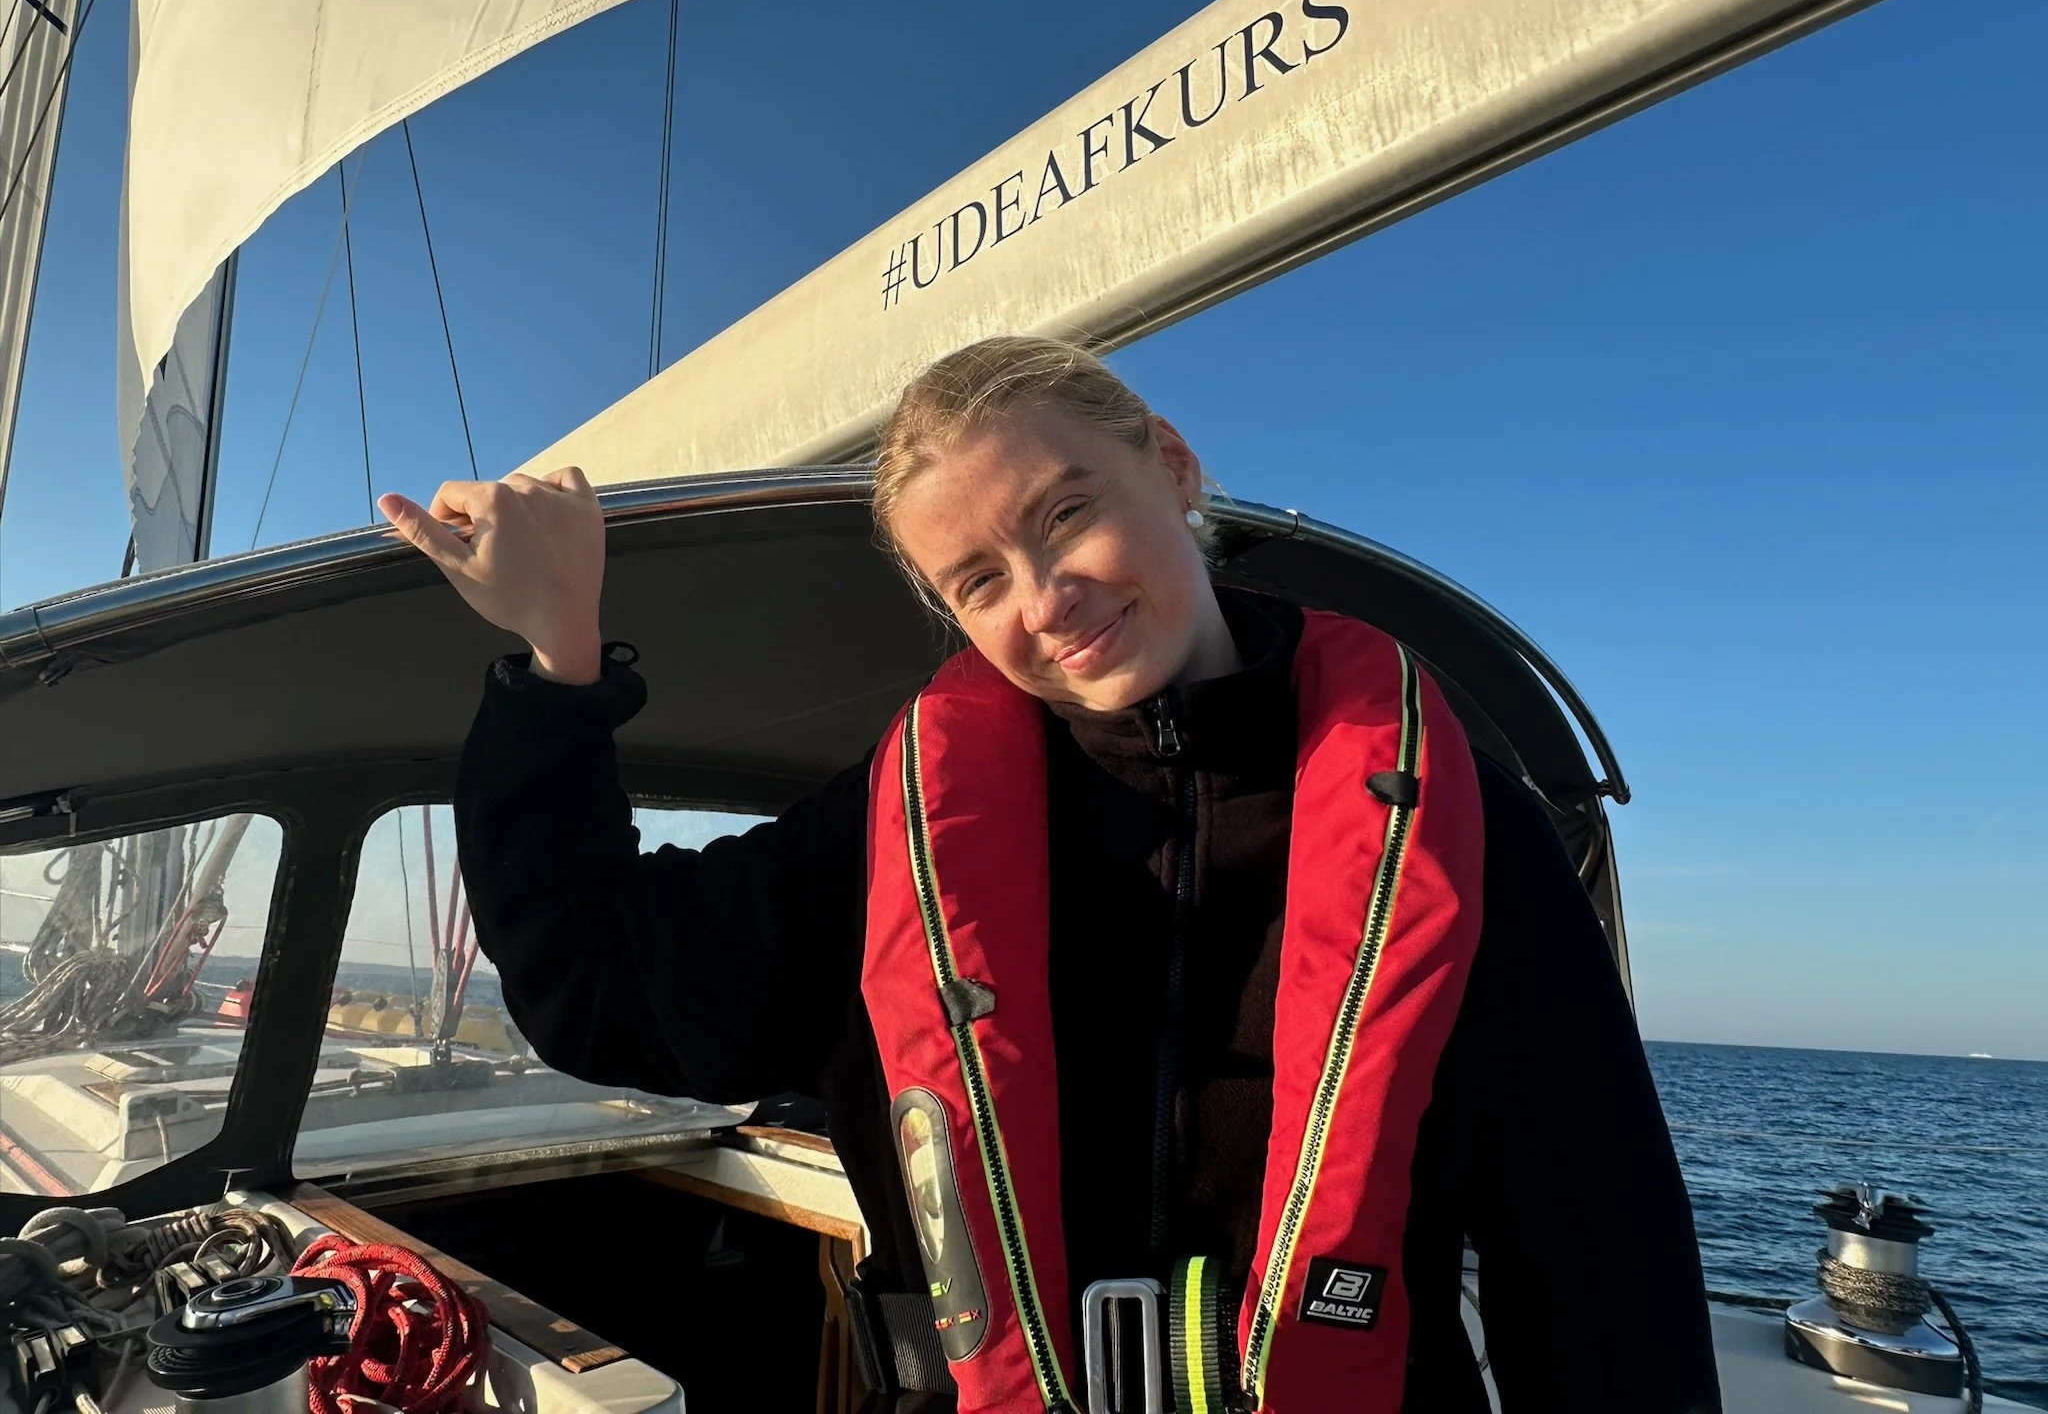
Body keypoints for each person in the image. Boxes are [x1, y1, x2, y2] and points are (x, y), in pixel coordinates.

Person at [380, 336, 1721, 1414]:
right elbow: (599, 982)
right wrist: (558, 663)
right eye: (978, 578)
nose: (1046, 595)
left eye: (1068, 512)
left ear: (1175, 468)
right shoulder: (894, 841)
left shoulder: (1450, 818)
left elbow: (1597, 1259)